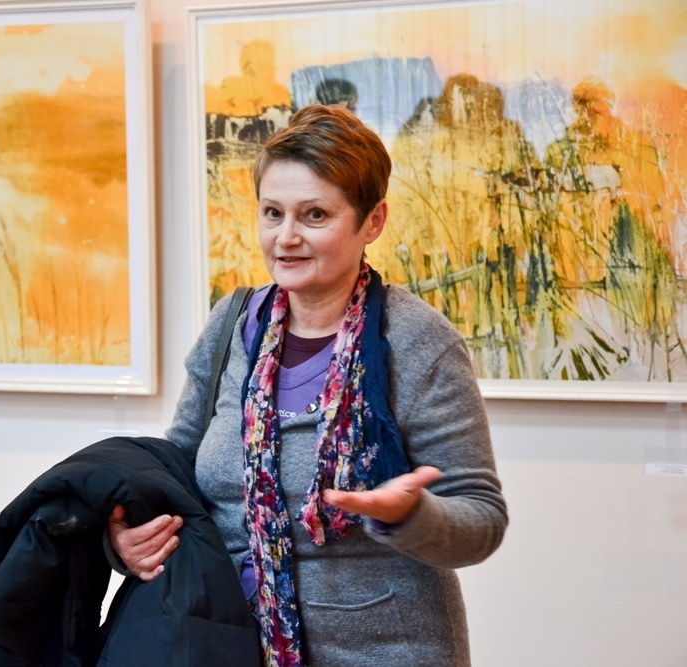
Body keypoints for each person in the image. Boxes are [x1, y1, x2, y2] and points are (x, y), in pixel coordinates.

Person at [109, 104, 508, 666]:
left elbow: (482, 519)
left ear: (373, 221)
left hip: (389, 653)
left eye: (315, 215)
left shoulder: (419, 341)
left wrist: (408, 515)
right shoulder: (232, 326)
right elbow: (175, 479)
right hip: (229, 645)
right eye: (272, 213)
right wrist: (128, 544)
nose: (286, 237)